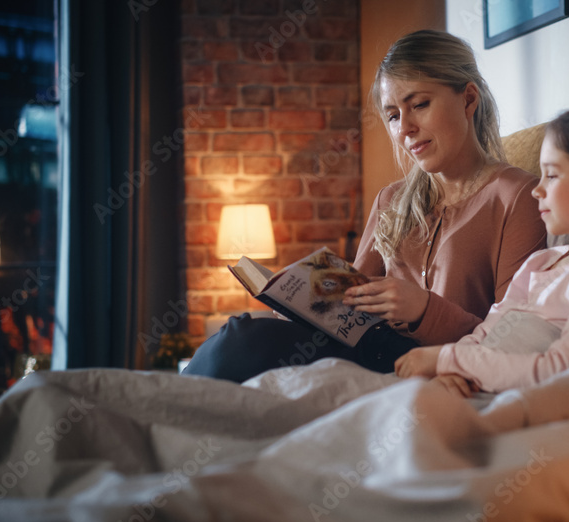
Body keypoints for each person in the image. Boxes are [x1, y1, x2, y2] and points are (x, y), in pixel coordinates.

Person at [182, 30, 546, 382]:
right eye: (392, 115)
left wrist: (423, 309)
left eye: (419, 105)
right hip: (365, 350)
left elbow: (512, 339)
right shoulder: (391, 199)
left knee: (242, 342)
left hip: (424, 363)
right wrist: (306, 306)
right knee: (239, 332)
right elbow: (349, 303)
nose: (405, 128)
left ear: (468, 99)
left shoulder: (518, 197)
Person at [394, 103, 569, 397]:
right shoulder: (543, 260)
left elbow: (563, 370)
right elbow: (485, 332)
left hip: (510, 396)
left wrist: (445, 360)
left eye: (551, 176)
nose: (536, 190)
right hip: (469, 382)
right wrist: (448, 373)